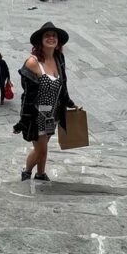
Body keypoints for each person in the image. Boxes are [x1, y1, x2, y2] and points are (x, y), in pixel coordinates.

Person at [14, 21, 77, 182]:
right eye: (47, 35)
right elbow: (27, 97)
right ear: (40, 40)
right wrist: (22, 121)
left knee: (44, 146)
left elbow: (63, 84)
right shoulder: (32, 63)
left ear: (58, 42)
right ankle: (27, 171)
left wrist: (69, 102)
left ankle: (40, 174)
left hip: (53, 115)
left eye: (54, 36)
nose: (51, 38)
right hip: (38, 116)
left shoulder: (59, 58)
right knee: (41, 150)